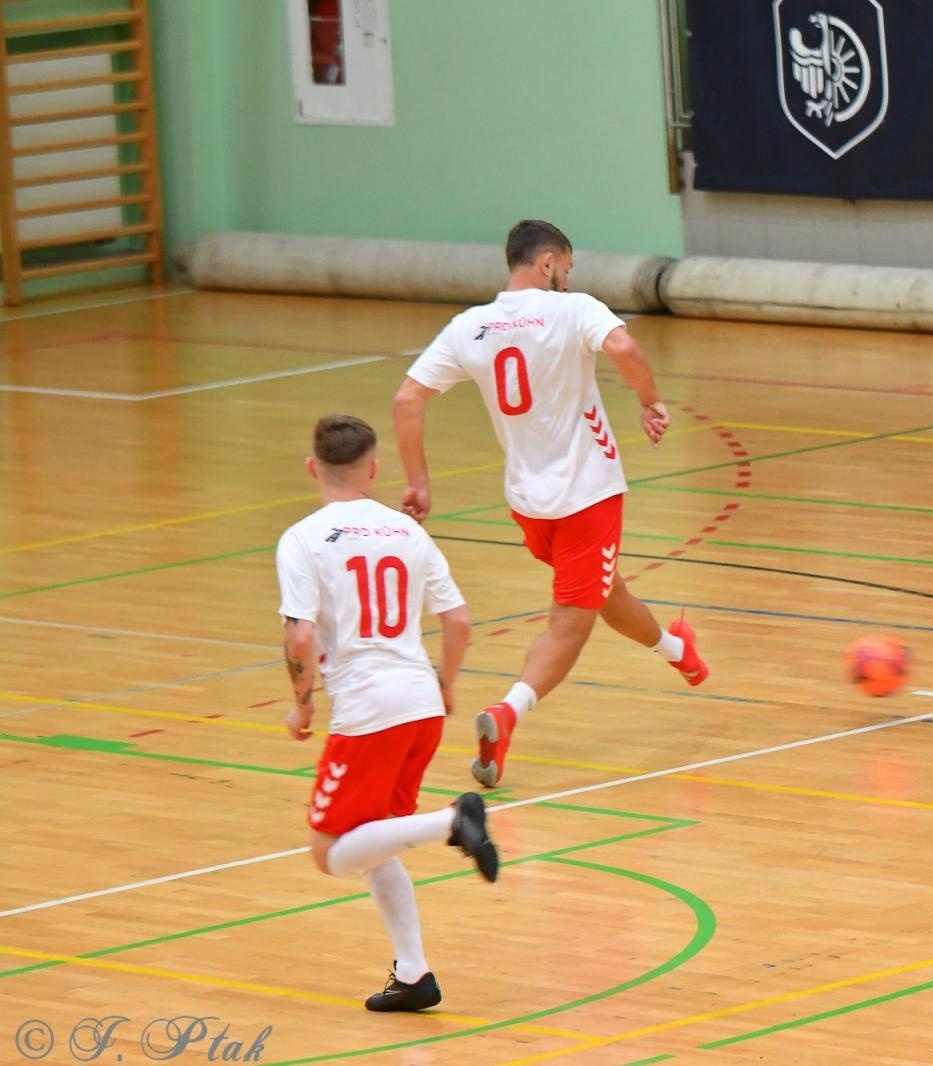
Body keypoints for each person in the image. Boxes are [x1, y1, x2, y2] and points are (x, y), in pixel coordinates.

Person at [393, 219, 709, 789]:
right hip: (586, 496)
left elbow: (407, 399)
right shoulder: (573, 309)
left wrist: (418, 482)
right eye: (566, 265)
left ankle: (677, 652)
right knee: (570, 623)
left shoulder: (470, 326)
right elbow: (624, 346)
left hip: (529, 505)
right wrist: (650, 401)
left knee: (605, 591)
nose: (568, 276)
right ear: (547, 262)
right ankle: (507, 713)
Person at [277, 414, 497, 1013]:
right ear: (373, 469)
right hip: (420, 705)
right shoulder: (407, 532)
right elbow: (458, 621)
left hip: (368, 710)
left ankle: (450, 823)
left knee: (329, 852)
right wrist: (445, 684)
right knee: (375, 843)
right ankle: (414, 973)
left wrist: (302, 703)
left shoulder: (302, 538)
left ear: (312, 467)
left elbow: (300, 636)